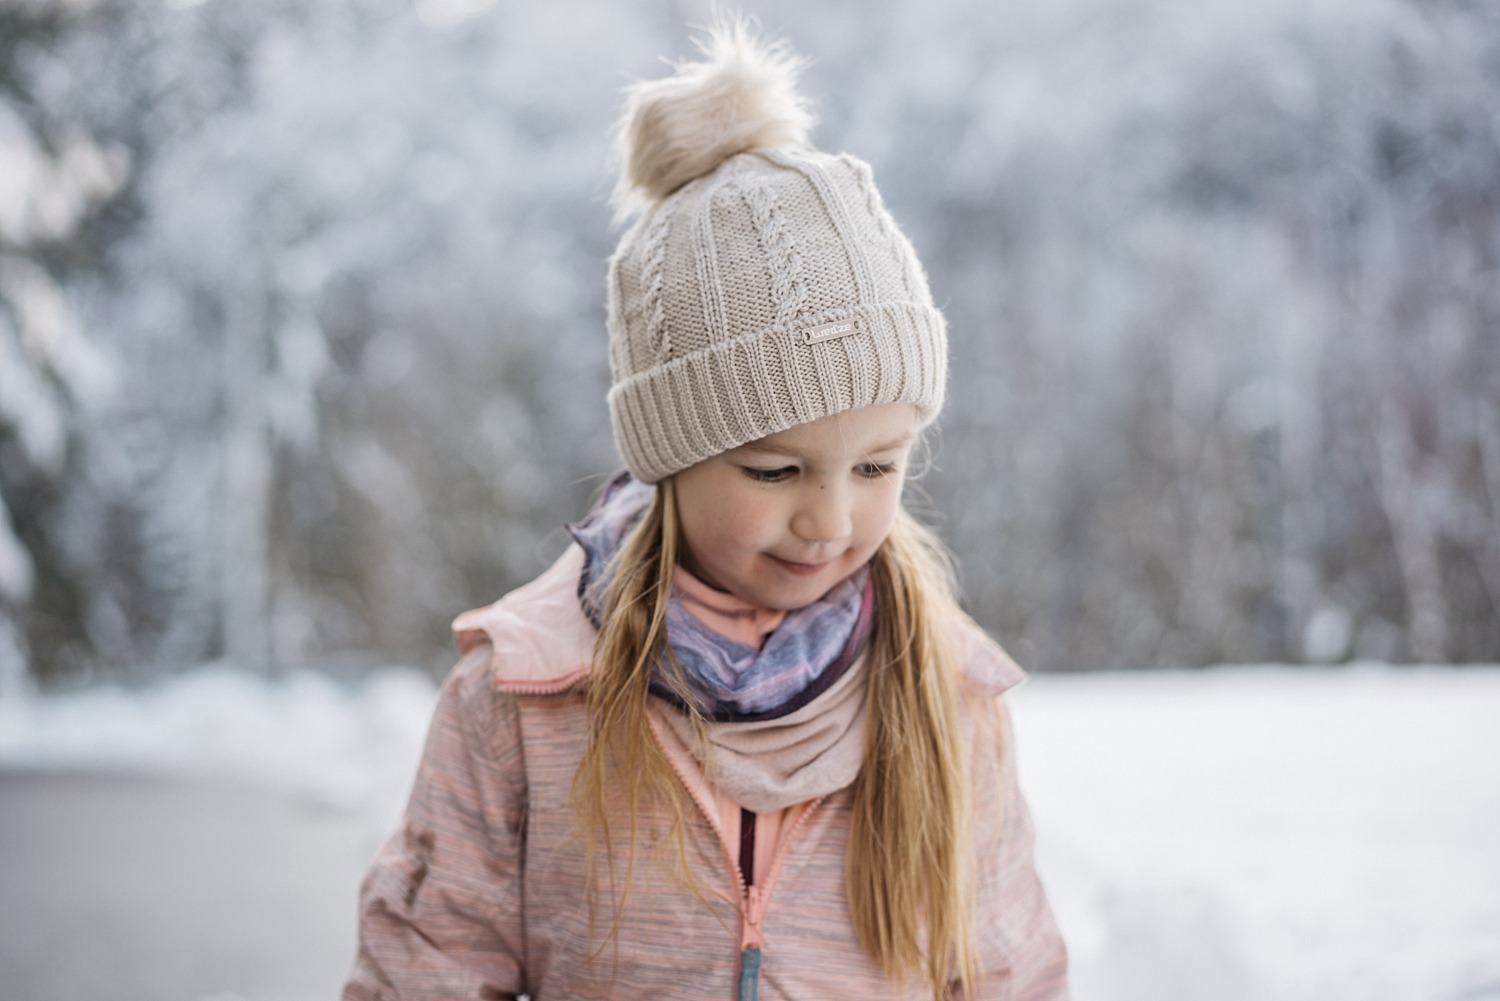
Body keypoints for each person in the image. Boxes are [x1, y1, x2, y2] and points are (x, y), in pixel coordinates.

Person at [344, 19, 1068, 1001]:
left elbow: (1007, 975)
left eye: (876, 464)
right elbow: (424, 970)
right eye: (775, 470)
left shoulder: (948, 697)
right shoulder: (522, 706)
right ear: (669, 458)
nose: (829, 518)